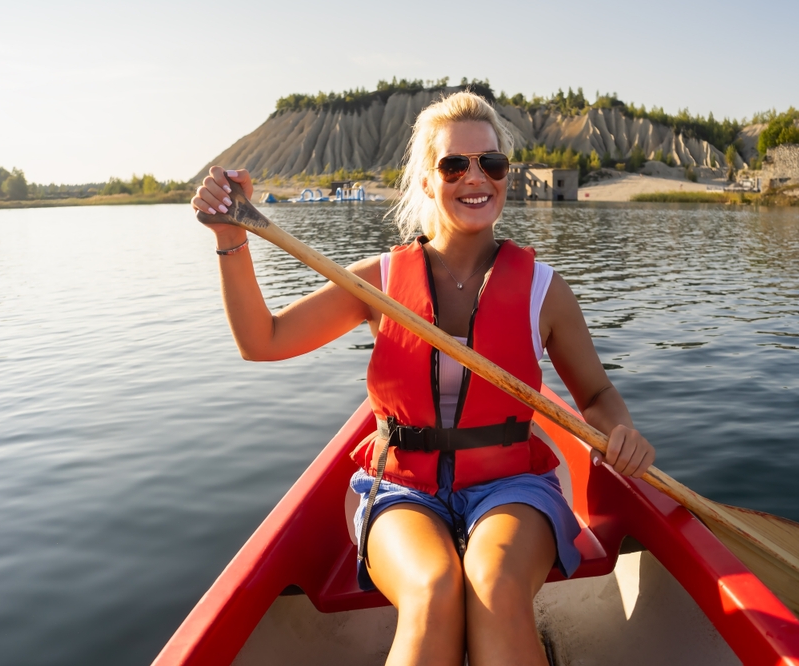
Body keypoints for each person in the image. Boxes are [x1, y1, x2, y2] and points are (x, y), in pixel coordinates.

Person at [192, 91, 655, 666]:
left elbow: (597, 394)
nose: (475, 177)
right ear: (428, 181)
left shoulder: (544, 290)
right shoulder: (379, 281)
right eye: (454, 164)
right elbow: (263, 341)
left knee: (495, 587)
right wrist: (231, 239)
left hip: (512, 488)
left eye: (492, 163)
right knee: (433, 590)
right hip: (400, 488)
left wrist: (622, 429)